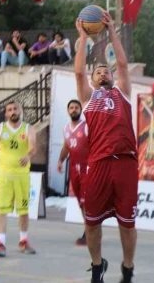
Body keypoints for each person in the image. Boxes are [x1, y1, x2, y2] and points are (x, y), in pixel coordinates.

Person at [74, 11, 137, 283]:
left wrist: (112, 31)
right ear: (92, 78)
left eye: (106, 70)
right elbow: (78, 70)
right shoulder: (89, 98)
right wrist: (82, 39)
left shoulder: (122, 91)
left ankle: (128, 267)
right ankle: (98, 265)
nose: (104, 72)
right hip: (98, 163)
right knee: (92, 223)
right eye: (98, 70)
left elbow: (122, 65)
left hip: (125, 162)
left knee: (127, 224)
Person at [0, 101, 37, 257]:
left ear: (20, 110)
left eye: (15, 108)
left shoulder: (28, 128)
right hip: (4, 176)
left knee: (23, 210)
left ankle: (23, 240)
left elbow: (33, 146)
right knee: (2, 210)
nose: (12, 111)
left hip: (22, 177)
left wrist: (28, 155)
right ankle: (0, 242)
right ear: (5, 114)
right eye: (9, 110)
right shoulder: (0, 128)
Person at [57, 99, 88, 246]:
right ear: (68, 111)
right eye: (71, 108)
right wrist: (60, 161)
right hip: (74, 170)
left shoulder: (87, 126)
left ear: (80, 110)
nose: (74, 110)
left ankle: (89, 232)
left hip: (87, 169)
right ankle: (90, 228)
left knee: (87, 202)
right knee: (81, 204)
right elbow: (66, 147)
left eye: (76, 107)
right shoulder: (66, 129)